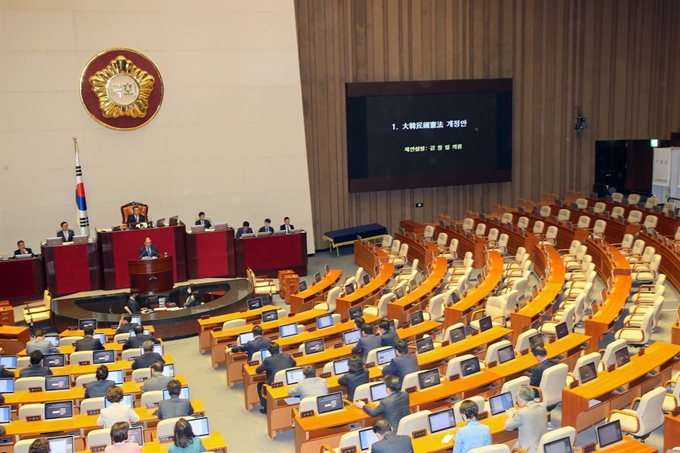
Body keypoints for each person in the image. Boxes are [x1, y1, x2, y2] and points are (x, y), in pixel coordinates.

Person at [504, 384, 548, 453]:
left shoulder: (522, 413)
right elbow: (530, 413)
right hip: (542, 445)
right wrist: (517, 412)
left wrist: (509, 416)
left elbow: (508, 427)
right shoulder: (542, 406)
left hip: (529, 449)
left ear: (520, 400)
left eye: (517, 398)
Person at [255, 342, 296, 413]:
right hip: (289, 381)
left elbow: (258, 371)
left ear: (269, 351)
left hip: (275, 385)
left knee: (260, 385)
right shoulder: (287, 356)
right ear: (279, 349)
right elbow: (294, 364)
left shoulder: (268, 360)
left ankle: (266, 408)